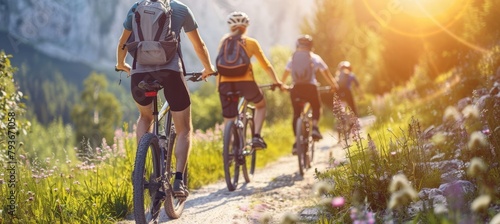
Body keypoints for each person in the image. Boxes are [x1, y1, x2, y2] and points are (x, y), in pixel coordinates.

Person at [115, 0, 216, 197]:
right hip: (170, 72)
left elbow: (122, 44)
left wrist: (122, 65)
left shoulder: (136, 8)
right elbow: (199, 44)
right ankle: (178, 181)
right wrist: (209, 68)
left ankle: (140, 170)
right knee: (184, 129)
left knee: (145, 117)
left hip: (140, 73)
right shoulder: (180, 9)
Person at [217, 11, 282, 149]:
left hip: (225, 85)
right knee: (261, 105)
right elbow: (266, 65)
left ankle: (229, 152)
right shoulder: (251, 42)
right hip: (246, 83)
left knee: (229, 119)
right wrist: (277, 81)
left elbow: (219, 67)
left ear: (231, 28)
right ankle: (256, 137)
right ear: (245, 27)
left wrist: (219, 87)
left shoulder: (223, 42)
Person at [280, 35, 338, 154]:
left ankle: (296, 143)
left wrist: (282, 85)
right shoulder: (314, 57)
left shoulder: (293, 58)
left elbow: (286, 73)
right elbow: (325, 71)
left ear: (298, 46)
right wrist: (333, 84)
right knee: (316, 106)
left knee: (297, 114)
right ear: (311, 46)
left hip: (296, 88)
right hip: (310, 88)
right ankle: (315, 128)